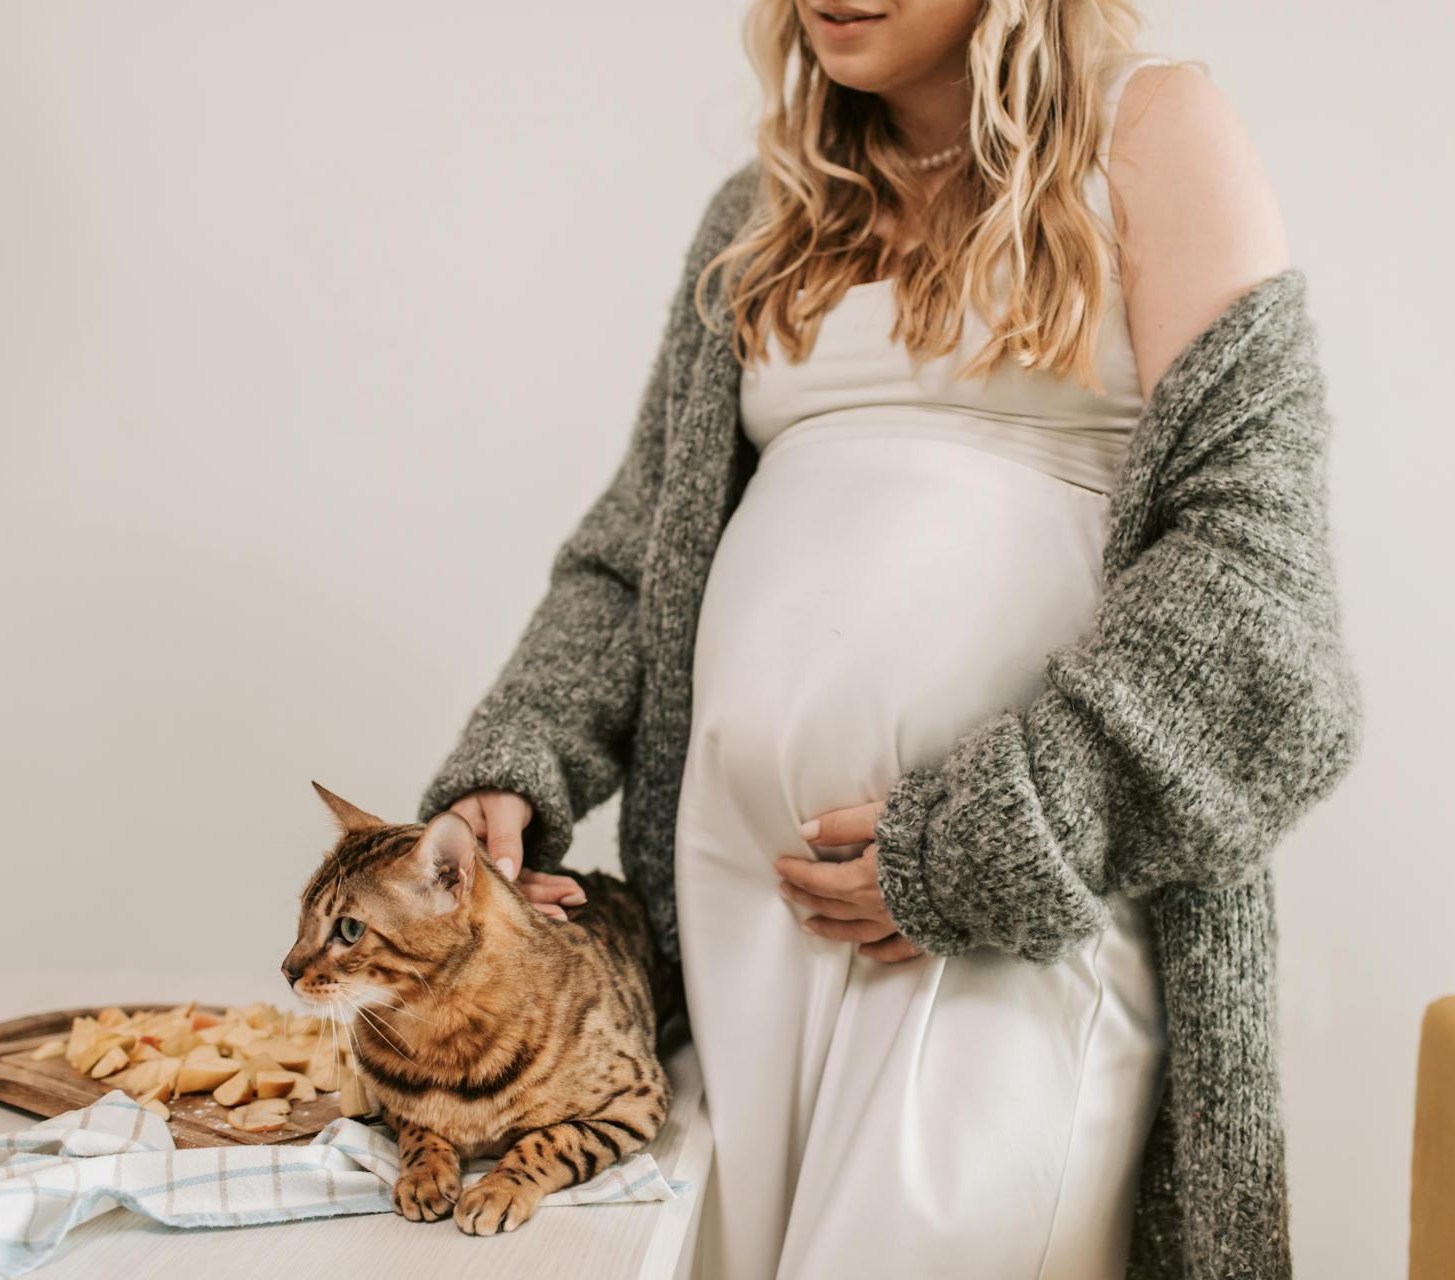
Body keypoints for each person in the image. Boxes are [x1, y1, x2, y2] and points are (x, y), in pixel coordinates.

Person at [429, 1, 1336, 1276]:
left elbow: (1260, 597)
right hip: (750, 928)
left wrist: (985, 845)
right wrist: (509, 765)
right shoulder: (764, 212)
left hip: (1011, 920)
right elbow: (640, 556)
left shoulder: (1151, 135)